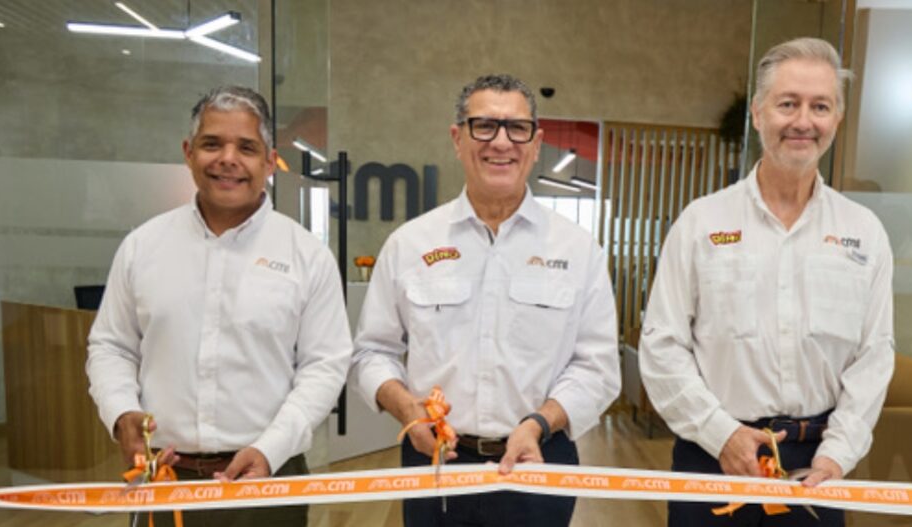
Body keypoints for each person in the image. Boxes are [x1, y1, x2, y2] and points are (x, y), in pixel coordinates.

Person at [639, 38, 894, 526]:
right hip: (712, 454)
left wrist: (836, 454)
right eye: (788, 104)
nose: (804, 121)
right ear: (757, 114)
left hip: (816, 466)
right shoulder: (701, 223)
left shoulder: (864, 232)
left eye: (820, 106)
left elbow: (874, 356)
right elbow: (662, 344)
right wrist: (722, 434)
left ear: (837, 119)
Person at [350, 74, 620, 527]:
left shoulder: (578, 250)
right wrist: (405, 407)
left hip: (540, 460)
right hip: (435, 461)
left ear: (536, 143)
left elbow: (598, 368)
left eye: (517, 128)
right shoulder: (410, 244)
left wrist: (539, 423)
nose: (501, 142)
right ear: (458, 139)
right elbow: (372, 352)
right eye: (484, 126)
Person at [86, 85, 352, 526]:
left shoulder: (307, 255)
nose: (228, 159)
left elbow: (325, 366)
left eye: (246, 148)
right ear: (188, 153)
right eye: (212, 144)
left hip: (268, 480)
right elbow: (112, 346)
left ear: (270, 162)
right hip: (164, 480)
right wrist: (120, 412)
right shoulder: (142, 247)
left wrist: (270, 448)